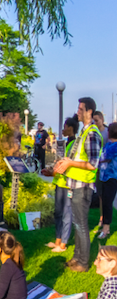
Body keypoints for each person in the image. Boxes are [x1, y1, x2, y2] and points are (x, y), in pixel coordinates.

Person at [54, 97, 102, 272]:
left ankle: (83, 262)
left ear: (89, 111)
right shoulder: (84, 132)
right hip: (75, 185)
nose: (77, 112)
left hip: (83, 186)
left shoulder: (91, 134)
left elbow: (92, 163)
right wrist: (65, 163)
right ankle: (77, 258)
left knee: (81, 225)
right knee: (77, 224)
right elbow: (77, 158)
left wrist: (70, 164)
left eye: (81, 109)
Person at [47, 116, 79, 253]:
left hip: (69, 184)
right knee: (58, 212)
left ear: (70, 128)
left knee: (67, 213)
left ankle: (64, 244)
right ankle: (58, 240)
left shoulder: (76, 144)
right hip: (60, 182)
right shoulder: (65, 143)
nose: (63, 129)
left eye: (65, 127)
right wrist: (51, 170)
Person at [97, 123, 117, 242]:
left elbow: (105, 157)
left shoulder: (115, 146)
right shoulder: (109, 144)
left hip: (112, 178)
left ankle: (106, 228)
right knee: (104, 202)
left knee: (108, 203)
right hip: (104, 177)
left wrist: (96, 159)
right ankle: (105, 226)